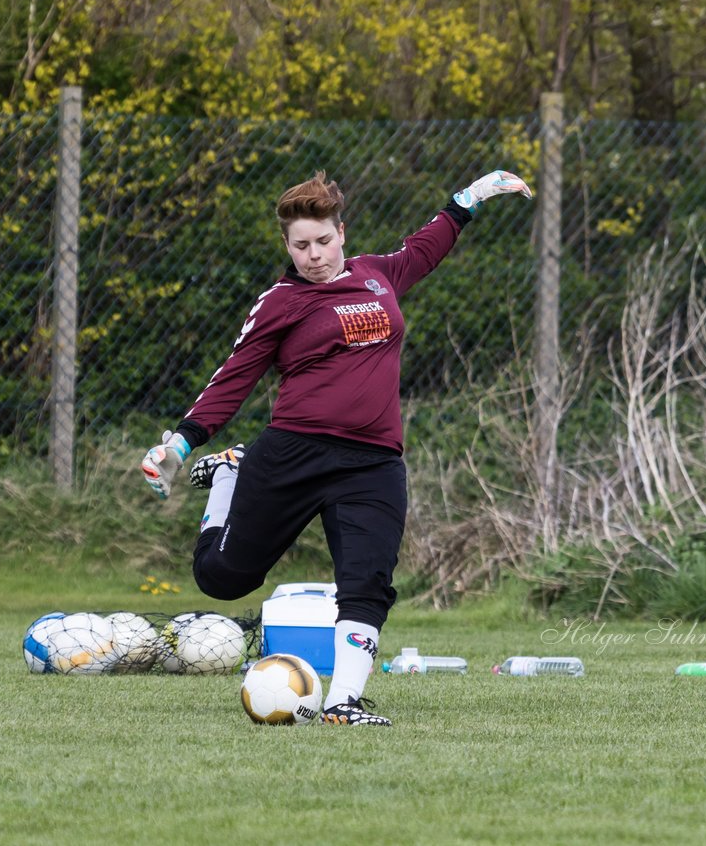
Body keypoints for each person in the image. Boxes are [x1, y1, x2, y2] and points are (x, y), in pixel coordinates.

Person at [140, 169, 531, 725]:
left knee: (368, 580)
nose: (314, 255)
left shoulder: (377, 276)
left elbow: (425, 247)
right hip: (293, 453)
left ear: (341, 233)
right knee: (224, 579)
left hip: (373, 462)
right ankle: (229, 474)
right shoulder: (279, 303)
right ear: (287, 246)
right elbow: (233, 379)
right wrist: (178, 447)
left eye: (323, 241)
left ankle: (343, 702)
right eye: (301, 245)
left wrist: (470, 199)